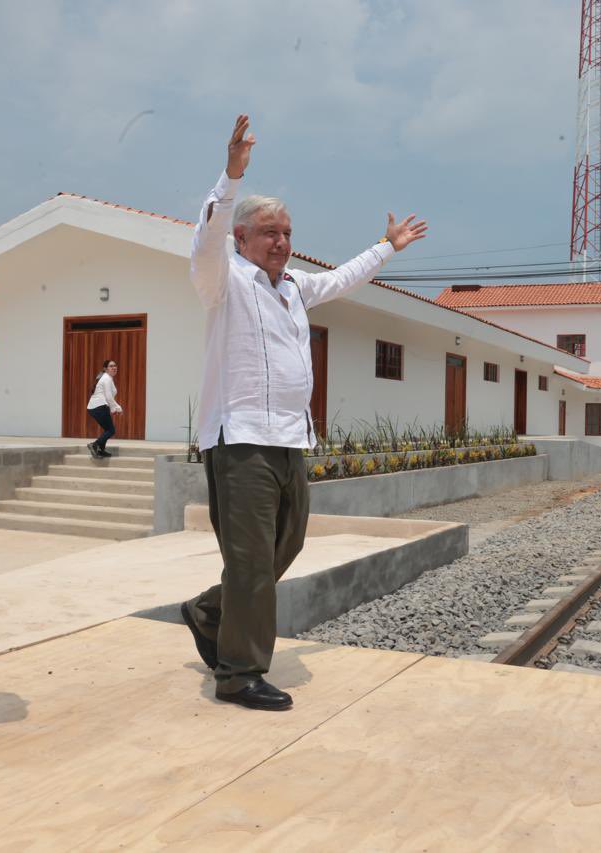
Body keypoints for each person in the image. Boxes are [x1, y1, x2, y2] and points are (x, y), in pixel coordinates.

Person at [180, 115, 427, 711]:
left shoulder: (292, 287)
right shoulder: (222, 279)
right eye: (268, 232)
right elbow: (206, 238)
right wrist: (232, 175)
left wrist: (385, 248)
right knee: (250, 562)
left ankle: (209, 611)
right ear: (242, 238)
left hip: (290, 440)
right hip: (238, 441)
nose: (281, 242)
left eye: (286, 233)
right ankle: (238, 673)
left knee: (280, 551)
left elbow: (340, 280)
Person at [85, 359, 122, 459]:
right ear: (105, 369)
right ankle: (94, 445)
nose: (114, 367)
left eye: (115, 365)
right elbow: (109, 396)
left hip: (97, 407)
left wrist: (113, 408)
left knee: (108, 429)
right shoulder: (106, 379)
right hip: (99, 407)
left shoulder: (108, 378)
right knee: (111, 430)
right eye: (111, 366)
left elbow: (108, 397)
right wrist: (117, 408)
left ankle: (100, 450)